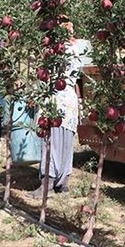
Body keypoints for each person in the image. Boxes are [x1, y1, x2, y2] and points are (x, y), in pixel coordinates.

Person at [31, 17, 86, 198]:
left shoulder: (54, 50)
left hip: (55, 98)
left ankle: (47, 182)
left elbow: (44, 74)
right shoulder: (77, 49)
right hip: (69, 99)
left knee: (51, 141)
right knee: (66, 142)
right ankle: (63, 184)